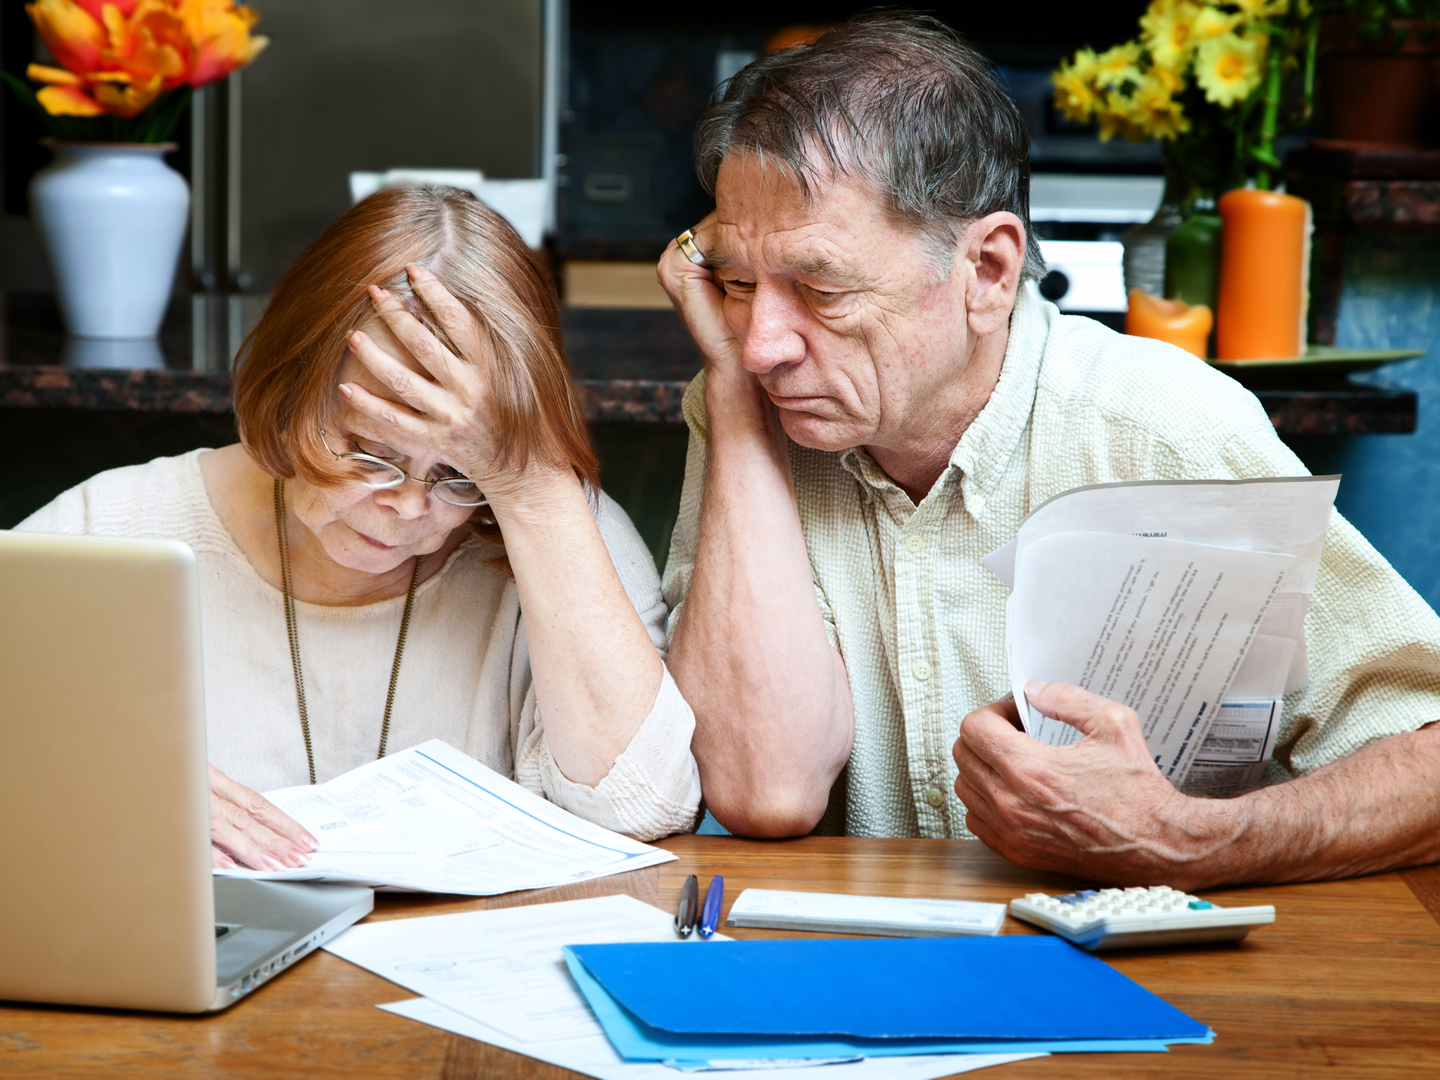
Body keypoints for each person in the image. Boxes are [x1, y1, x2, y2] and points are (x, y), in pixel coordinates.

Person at [657, 13, 1440, 888]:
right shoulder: (748, 399)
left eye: (821, 287)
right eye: (733, 282)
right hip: (887, 979)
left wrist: (1192, 841)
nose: (763, 343)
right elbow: (766, 789)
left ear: (987, 273)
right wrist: (729, 399)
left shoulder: (1161, 424)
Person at [18, 185, 701, 868]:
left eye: (459, 474)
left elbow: (642, 807)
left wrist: (531, 487)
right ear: (289, 392)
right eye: (371, 453)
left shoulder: (553, 526)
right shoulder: (112, 529)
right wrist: (110, 778)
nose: (409, 506)